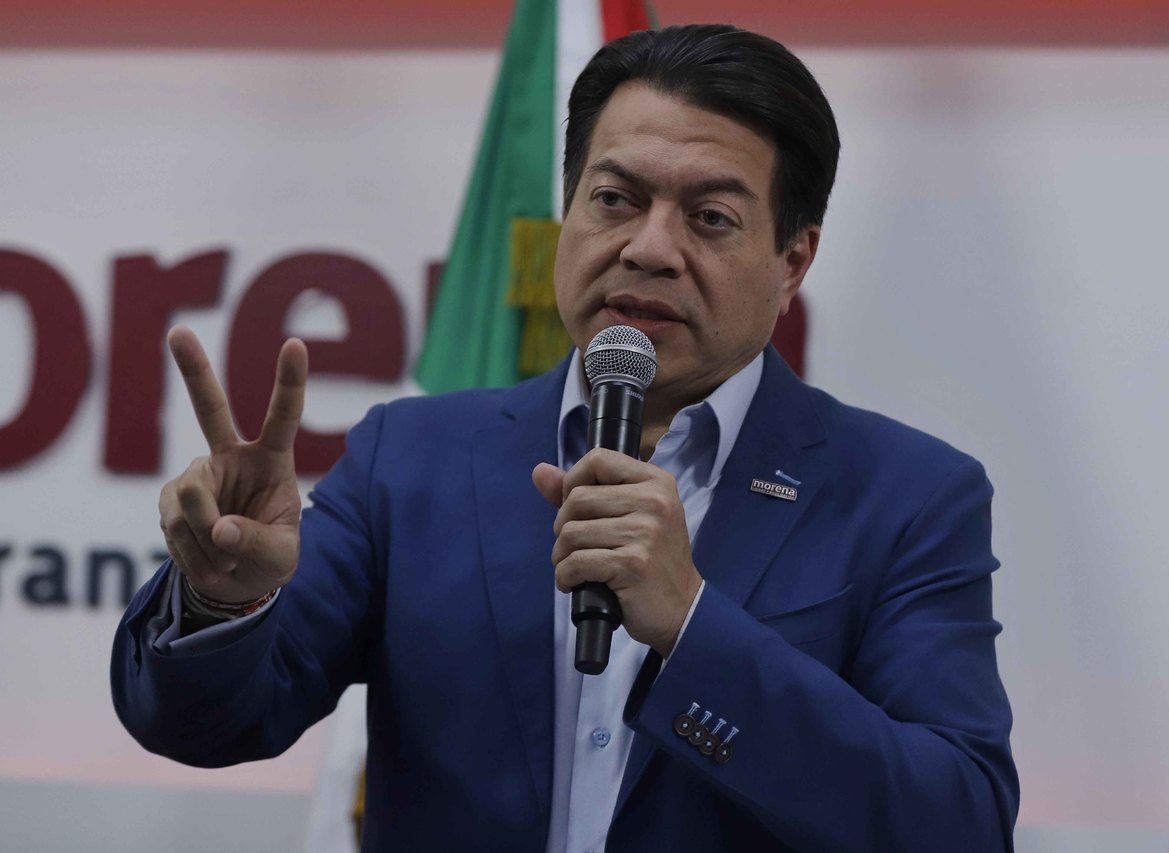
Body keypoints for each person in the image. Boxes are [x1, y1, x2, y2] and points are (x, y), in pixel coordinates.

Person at [112, 24, 1018, 852]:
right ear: (568, 209)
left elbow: (959, 822)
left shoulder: (906, 497)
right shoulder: (411, 459)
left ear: (793, 261)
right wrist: (222, 601)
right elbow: (201, 723)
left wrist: (693, 626)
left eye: (710, 217)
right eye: (615, 198)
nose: (648, 248)